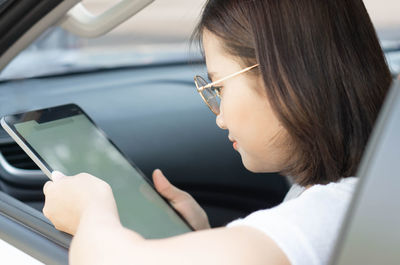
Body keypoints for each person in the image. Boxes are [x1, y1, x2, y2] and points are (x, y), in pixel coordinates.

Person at [42, 0, 392, 264]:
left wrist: (90, 212)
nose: (219, 117)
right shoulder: (352, 189)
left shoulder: (337, 213)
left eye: (219, 87)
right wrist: (204, 240)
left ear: (283, 78)